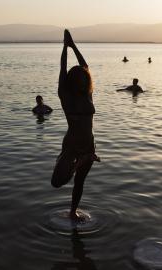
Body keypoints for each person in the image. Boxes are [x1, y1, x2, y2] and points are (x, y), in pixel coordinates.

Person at [51, 29, 100, 221]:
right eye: (78, 79)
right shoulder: (66, 96)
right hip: (72, 146)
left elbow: (85, 66)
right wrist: (65, 48)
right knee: (57, 182)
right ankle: (75, 162)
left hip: (89, 144)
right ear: (72, 81)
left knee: (80, 182)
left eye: (84, 79)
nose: (82, 81)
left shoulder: (87, 95)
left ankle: (73, 212)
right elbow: (62, 70)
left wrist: (73, 46)